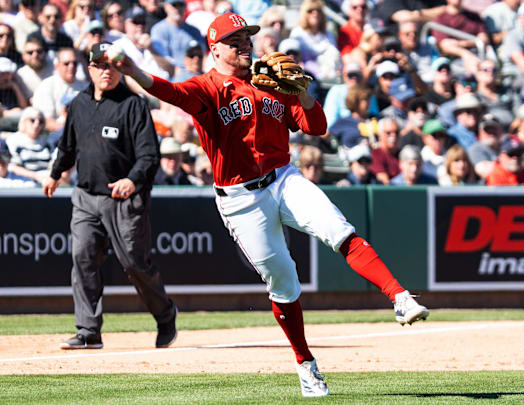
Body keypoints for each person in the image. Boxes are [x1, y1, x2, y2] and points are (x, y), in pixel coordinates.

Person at [110, 13, 428, 397]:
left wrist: (303, 94)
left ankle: (398, 296)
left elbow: (317, 127)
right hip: (241, 200)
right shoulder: (207, 88)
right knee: (284, 282)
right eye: (235, 40)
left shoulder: (270, 81)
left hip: (283, 177)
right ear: (215, 49)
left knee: (338, 229)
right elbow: (168, 91)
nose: (244, 44)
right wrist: (132, 70)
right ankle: (305, 363)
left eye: (246, 37)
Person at [41, 42, 178, 351]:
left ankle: (166, 314)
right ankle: (88, 331)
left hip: (124, 200)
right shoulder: (79, 103)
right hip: (86, 196)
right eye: (100, 65)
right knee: (83, 256)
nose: (107, 71)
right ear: (89, 69)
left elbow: (149, 156)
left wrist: (132, 180)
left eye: (112, 66)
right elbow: (67, 146)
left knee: (134, 263)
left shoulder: (133, 104)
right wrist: (54, 173)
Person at [32, 47, 88, 132]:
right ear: (56, 66)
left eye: (74, 63)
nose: (71, 66)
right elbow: (46, 121)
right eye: (66, 63)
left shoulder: (85, 86)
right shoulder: (46, 86)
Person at [5, 107, 52, 183]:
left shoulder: (48, 141)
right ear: (24, 121)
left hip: (46, 180)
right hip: (23, 182)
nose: (36, 124)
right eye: (32, 120)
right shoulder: (13, 140)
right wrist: (34, 175)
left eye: (40, 121)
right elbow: (12, 166)